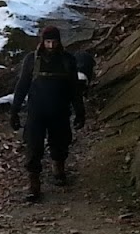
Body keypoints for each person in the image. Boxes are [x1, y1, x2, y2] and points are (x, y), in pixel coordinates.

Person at [9, 25, 85, 203]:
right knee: (34, 148)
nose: (51, 46)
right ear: (42, 42)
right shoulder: (32, 60)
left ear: (59, 42)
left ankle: (59, 170)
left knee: (60, 144)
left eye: (54, 42)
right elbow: (22, 86)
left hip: (60, 111)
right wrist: (14, 111)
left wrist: (80, 111)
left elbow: (75, 88)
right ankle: (33, 185)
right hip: (36, 112)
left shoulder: (67, 60)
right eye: (48, 42)